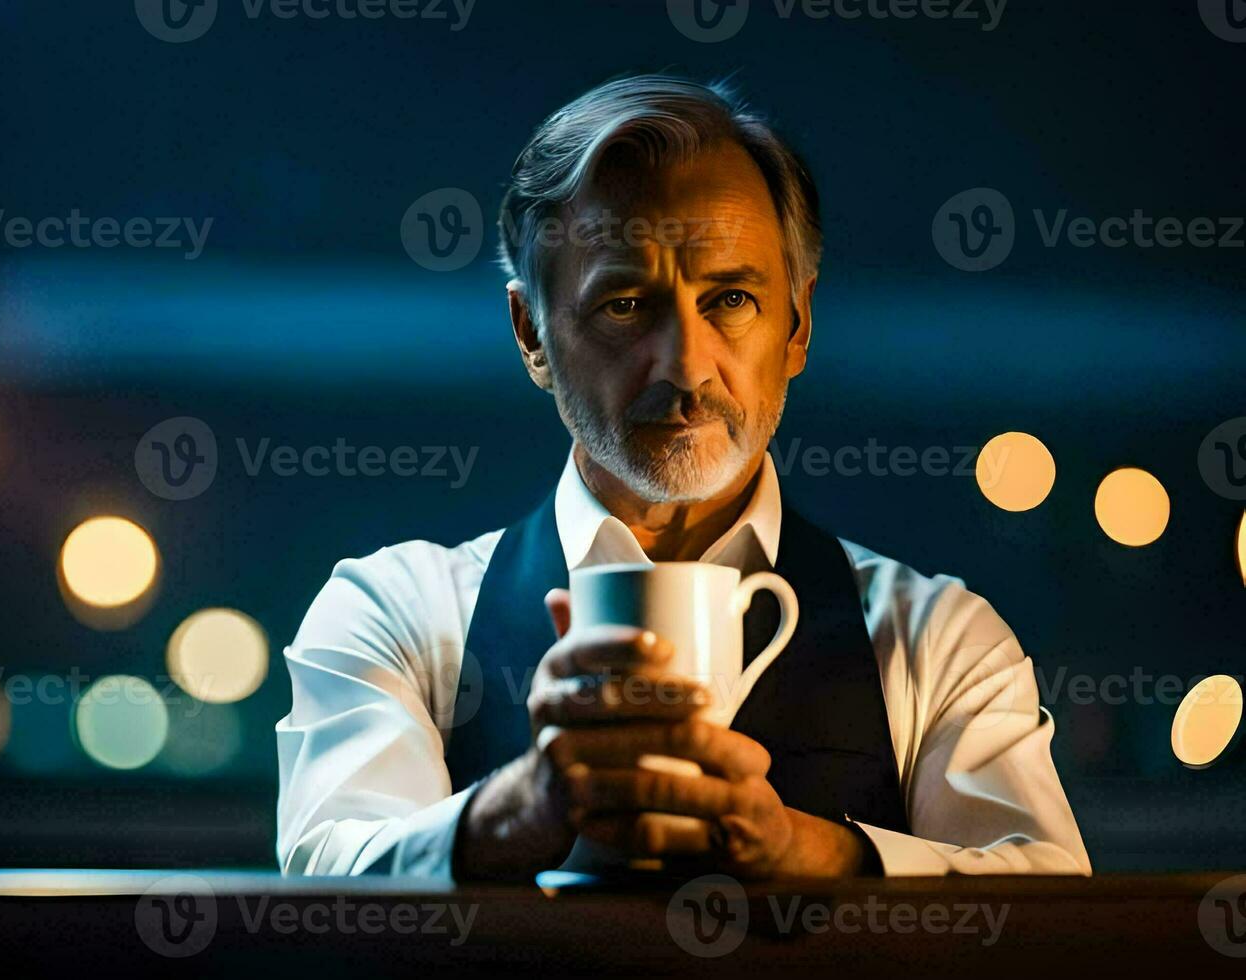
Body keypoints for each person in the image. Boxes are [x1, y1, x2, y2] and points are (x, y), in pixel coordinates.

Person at [275, 74, 1090, 880]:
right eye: (626, 305)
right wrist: (518, 810)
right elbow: (322, 886)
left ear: (797, 325)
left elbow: (1053, 913)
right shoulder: (395, 614)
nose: (687, 367)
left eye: (731, 298)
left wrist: (808, 850)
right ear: (531, 335)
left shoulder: (936, 640)